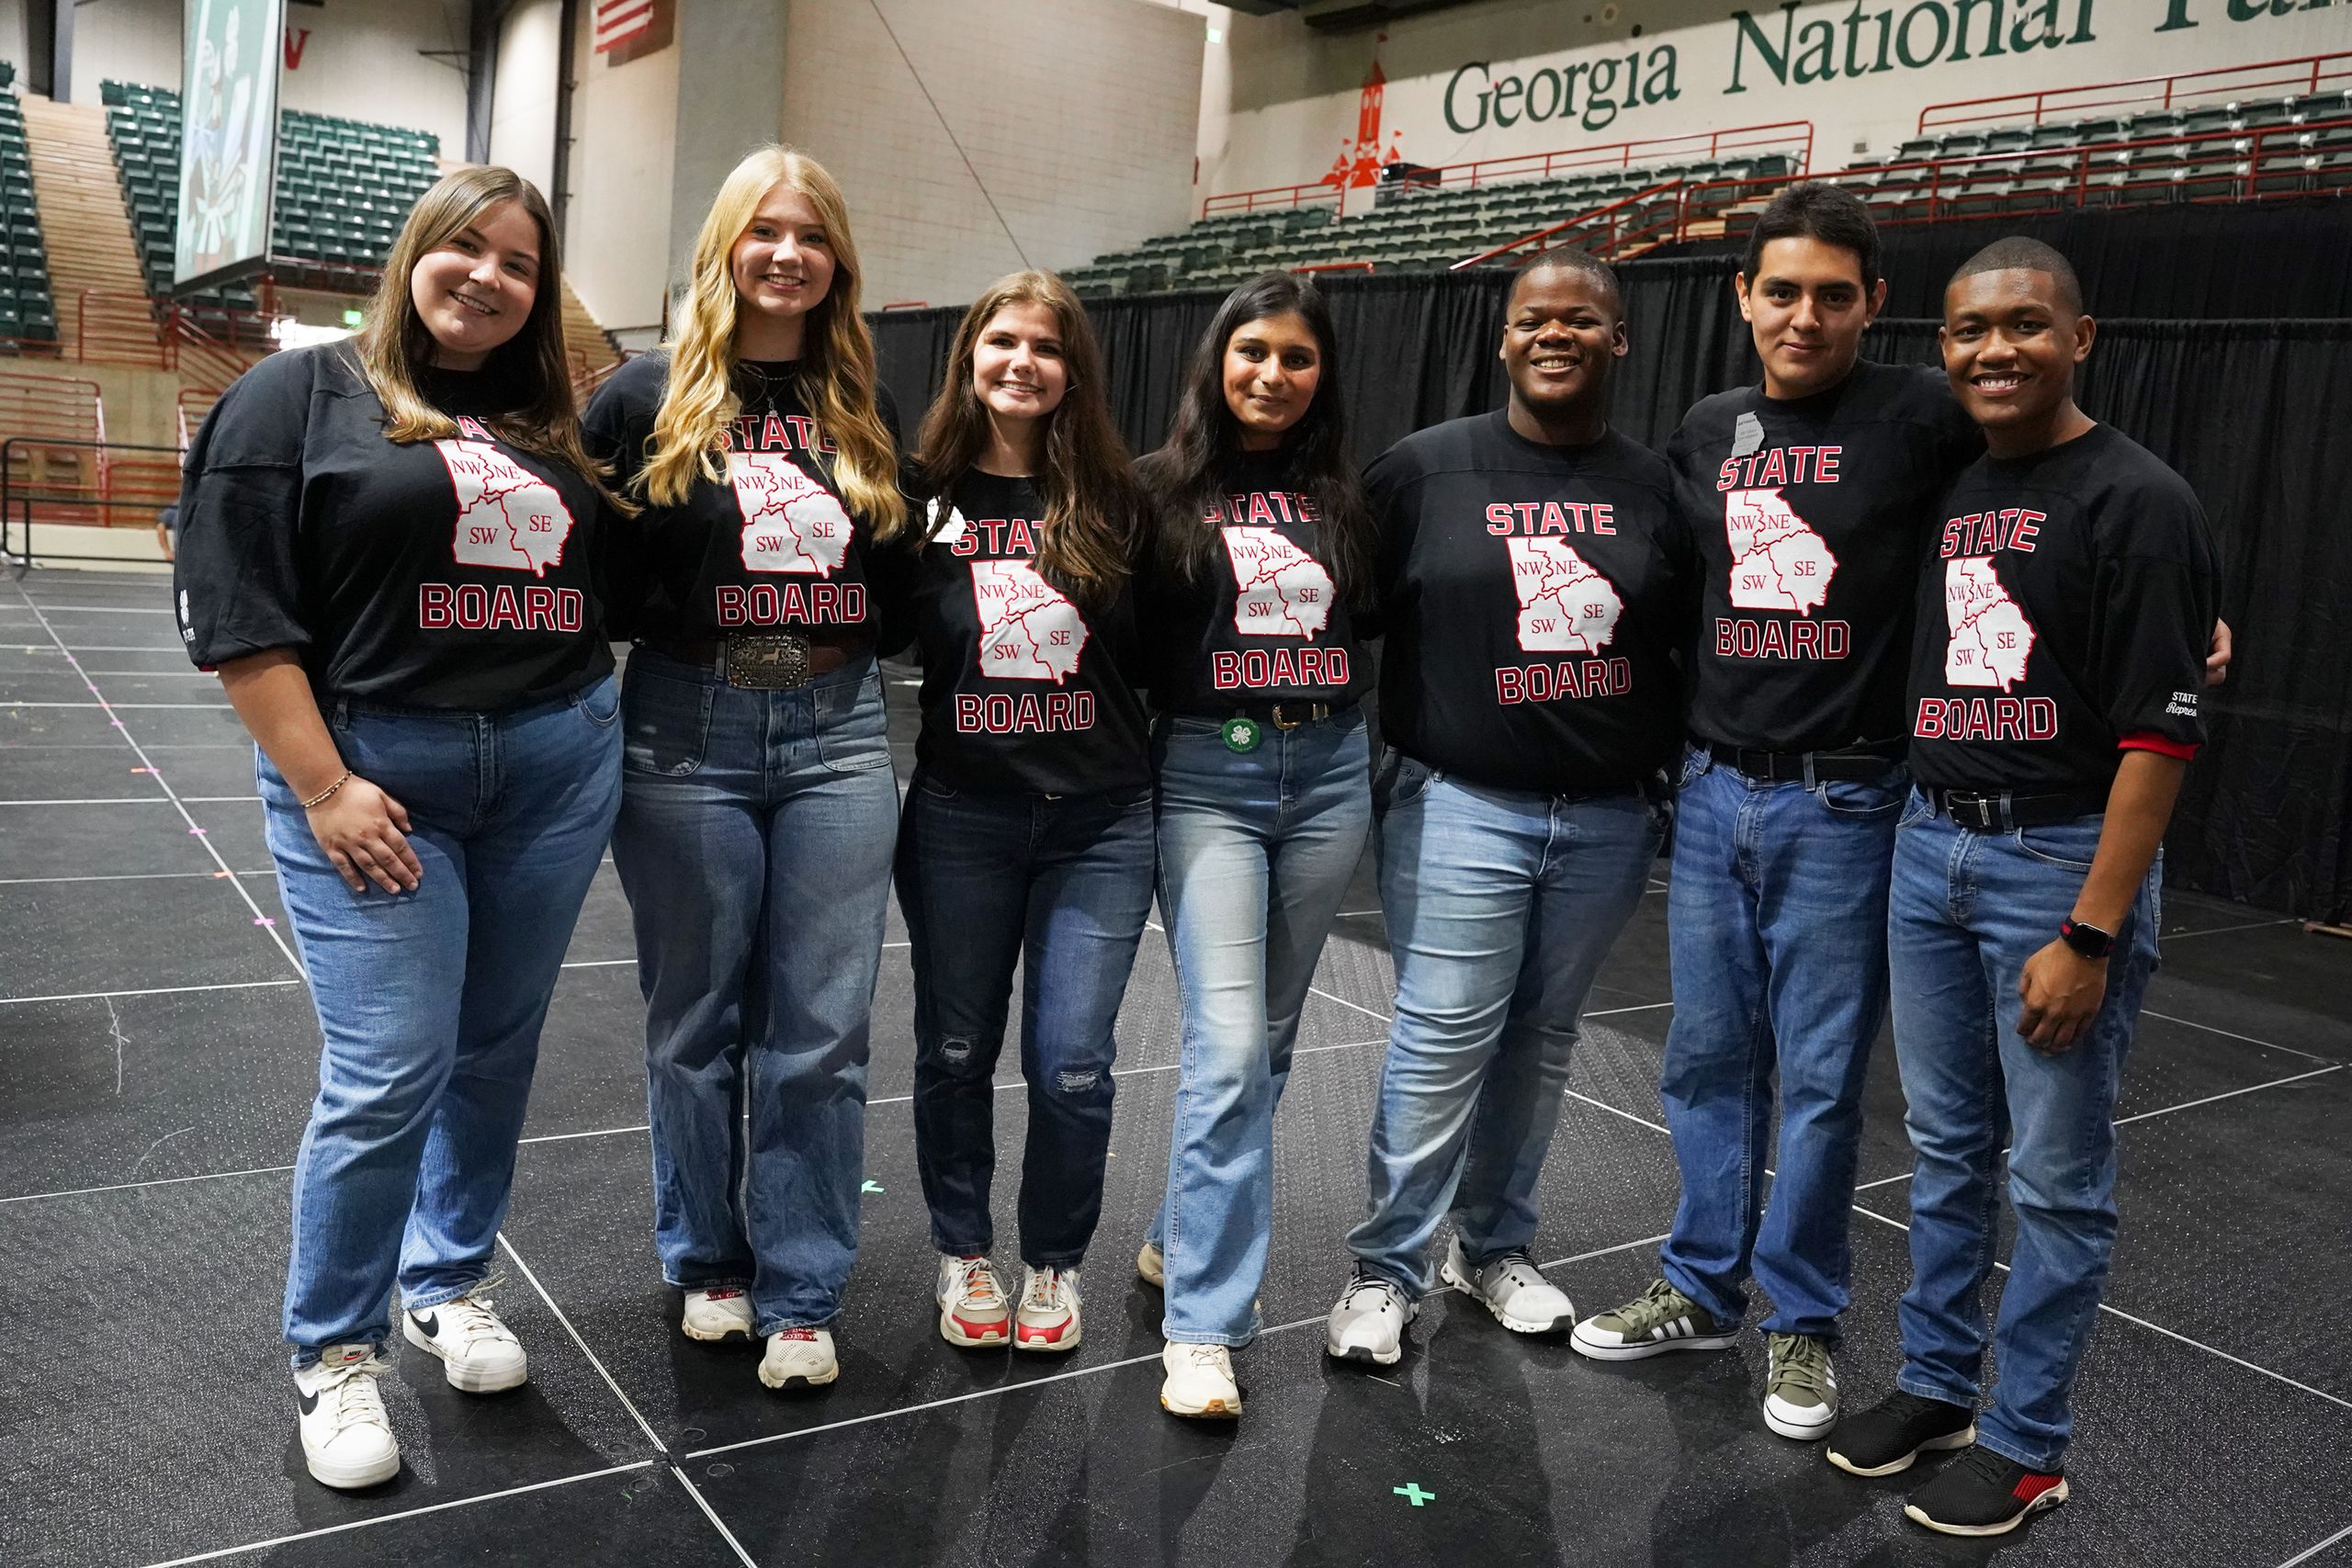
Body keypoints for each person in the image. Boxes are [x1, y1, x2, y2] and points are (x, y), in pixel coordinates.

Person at [173, 167, 623, 1490]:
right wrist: (321, 786)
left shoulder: (550, 420)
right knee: (390, 1062)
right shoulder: (298, 394)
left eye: (519, 262)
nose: (489, 275)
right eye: (466, 248)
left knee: (492, 1048)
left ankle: (449, 1279)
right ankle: (335, 1349)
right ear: (413, 253)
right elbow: (240, 614)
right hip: (374, 772)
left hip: (549, 767)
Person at [1570, 185, 1980, 1440]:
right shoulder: (1709, 426)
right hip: (1710, 790)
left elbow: (2051, 499)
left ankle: (1800, 1322)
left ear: (1874, 305)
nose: (1805, 316)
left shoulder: (1921, 413)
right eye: (1782, 291)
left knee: (1814, 1079)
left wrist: (2179, 611)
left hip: (1847, 799)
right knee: (1703, 1058)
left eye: (1834, 295)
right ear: (1742, 296)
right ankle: (1700, 1283)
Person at [1826, 239, 2216, 1537]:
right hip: (1925, 847)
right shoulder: (1957, 479)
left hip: (2055, 861)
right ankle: (1937, 1385)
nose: (1996, 348)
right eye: (1969, 330)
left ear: (2083, 336)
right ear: (1941, 347)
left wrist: (2091, 928)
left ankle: (2029, 1437)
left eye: (2026, 326)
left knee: (2053, 1175)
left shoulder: (2139, 498)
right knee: (1944, 1149)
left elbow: (2163, 735)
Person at [1323, 251, 1692, 1365]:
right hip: (1458, 807)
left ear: (1618, 340)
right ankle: (1383, 1273)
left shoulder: (1659, 488)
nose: (1555, 334)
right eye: (1533, 318)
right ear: (1503, 338)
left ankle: (1490, 1250)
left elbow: (1695, 638)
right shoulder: (1424, 472)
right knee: (1441, 1041)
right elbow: (1318, 603)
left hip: (1604, 819)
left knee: (1537, 1041)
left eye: (1581, 320)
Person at [582, 146, 905, 1393]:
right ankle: (709, 1256)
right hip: (686, 724)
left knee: (822, 1031)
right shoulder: (641, 397)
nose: (787, 252)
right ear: (725, 246)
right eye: (763, 230)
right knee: (694, 1026)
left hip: (835, 728)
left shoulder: (865, 405)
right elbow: (586, 582)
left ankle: (804, 1284)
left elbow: (899, 583)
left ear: (836, 261)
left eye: (810, 234)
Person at [892, 270, 1152, 1355]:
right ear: (969, 359)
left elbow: (1161, 662)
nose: (1023, 362)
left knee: (1072, 1063)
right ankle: (963, 1249)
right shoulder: (920, 498)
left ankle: (1053, 1264)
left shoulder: (1121, 501)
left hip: (1101, 822)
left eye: (1047, 348)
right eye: (1002, 340)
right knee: (955, 1049)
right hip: (964, 818)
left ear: (1073, 374)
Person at [1132, 273, 1376, 1417]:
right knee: (1228, 1047)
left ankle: (1179, 1233)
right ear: (1214, 363)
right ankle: (1204, 1326)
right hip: (1207, 780)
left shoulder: (1352, 502)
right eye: (1251, 353)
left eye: (1296, 357)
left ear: (1321, 375)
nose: (1271, 375)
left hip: (1327, 776)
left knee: (1268, 1045)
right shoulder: (1156, 493)